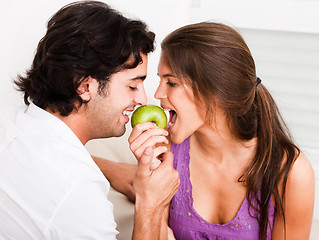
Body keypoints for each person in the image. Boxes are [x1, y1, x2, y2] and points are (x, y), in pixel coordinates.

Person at [0, 1, 179, 239]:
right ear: (84, 86)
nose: (142, 98)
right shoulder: (79, 191)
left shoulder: (8, 122)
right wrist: (151, 204)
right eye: (133, 85)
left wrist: (109, 169)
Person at [127, 22, 315, 239]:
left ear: (215, 90)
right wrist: (147, 195)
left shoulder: (291, 172)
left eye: (172, 83)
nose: (158, 93)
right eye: (160, 80)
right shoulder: (166, 149)